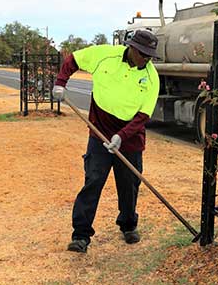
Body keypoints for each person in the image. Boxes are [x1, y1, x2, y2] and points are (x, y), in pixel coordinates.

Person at [52, 29, 160, 253]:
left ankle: (128, 225)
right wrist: (61, 83)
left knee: (129, 186)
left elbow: (143, 115)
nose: (146, 59)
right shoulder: (105, 55)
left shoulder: (151, 77)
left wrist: (122, 136)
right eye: (143, 54)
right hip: (99, 133)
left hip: (130, 139)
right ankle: (81, 235)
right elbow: (74, 59)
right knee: (93, 182)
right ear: (132, 48)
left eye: (150, 55)